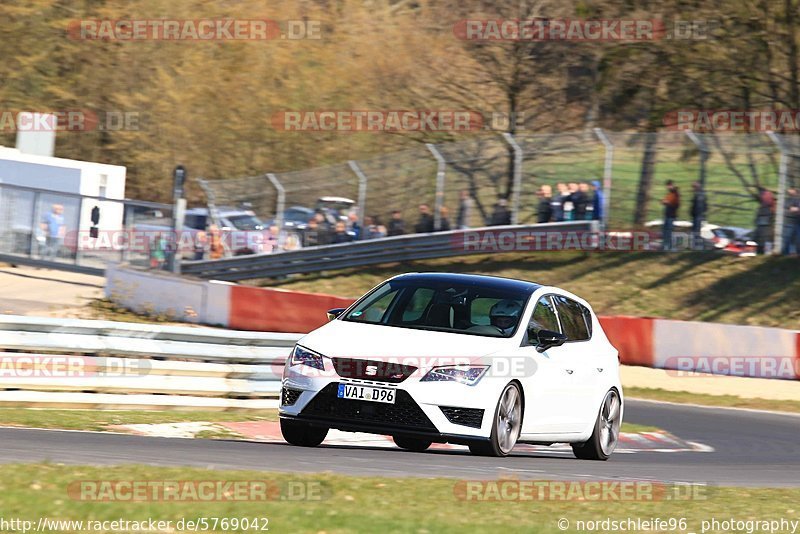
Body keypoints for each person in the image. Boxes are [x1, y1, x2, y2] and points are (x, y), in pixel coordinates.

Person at [755, 187, 775, 255]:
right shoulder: (766, 204)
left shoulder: (766, 199)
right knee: (765, 240)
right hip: (763, 226)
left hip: (765, 226)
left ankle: (766, 253)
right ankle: (765, 253)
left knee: (766, 239)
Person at [661, 180, 680, 251]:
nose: (667, 187)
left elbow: (676, 204)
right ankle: (666, 245)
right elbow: (665, 201)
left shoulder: (676, 193)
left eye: (668, 186)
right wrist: (664, 202)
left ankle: (672, 247)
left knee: (669, 231)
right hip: (667, 215)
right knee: (665, 231)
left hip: (671, 215)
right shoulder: (670, 193)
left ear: (671, 185)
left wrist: (668, 203)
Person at [781, 187, 800, 255]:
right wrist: (793, 209)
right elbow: (786, 210)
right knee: (787, 238)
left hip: (797, 222)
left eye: (791, 189)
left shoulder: (797, 200)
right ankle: (785, 253)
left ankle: (797, 253)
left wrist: (795, 209)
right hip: (789, 222)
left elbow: (796, 209)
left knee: (797, 239)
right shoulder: (787, 200)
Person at [689, 181, 707, 250]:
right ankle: (695, 245)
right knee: (695, 231)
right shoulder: (698, 194)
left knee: (696, 231)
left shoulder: (700, 194)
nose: (693, 188)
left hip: (698, 215)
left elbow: (700, 206)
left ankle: (697, 245)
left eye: (694, 187)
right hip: (696, 215)